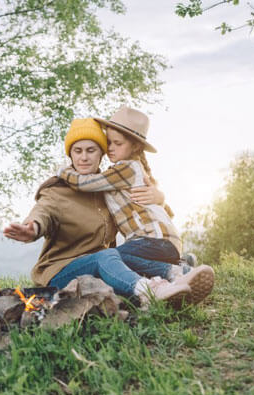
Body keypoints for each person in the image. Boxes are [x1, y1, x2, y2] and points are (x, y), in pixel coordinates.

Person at [3, 118, 192, 308]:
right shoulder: (57, 190)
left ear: (102, 153)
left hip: (107, 269)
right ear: (70, 154)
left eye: (91, 150)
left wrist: (159, 196)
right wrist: (33, 227)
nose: (84, 157)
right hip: (61, 273)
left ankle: (179, 275)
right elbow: (43, 211)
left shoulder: (108, 189)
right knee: (109, 255)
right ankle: (150, 291)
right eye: (78, 151)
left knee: (117, 257)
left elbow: (149, 211)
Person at [56, 107, 214, 304]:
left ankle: (175, 271)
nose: (110, 148)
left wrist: (63, 171)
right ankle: (180, 269)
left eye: (117, 143)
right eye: (109, 142)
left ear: (135, 147)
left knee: (112, 259)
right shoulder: (134, 169)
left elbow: (85, 183)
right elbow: (166, 211)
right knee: (122, 261)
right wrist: (161, 198)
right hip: (162, 241)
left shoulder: (126, 168)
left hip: (152, 239)